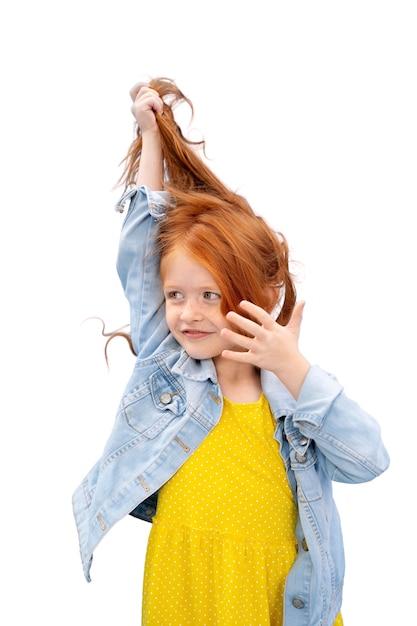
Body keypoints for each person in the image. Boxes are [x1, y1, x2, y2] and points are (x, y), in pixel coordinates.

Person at [73, 78, 389, 626]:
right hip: (185, 585)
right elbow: (141, 251)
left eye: (209, 296)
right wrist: (150, 137)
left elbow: (369, 460)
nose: (188, 312)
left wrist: (293, 366)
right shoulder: (170, 369)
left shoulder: (295, 400)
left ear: (256, 295)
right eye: (176, 295)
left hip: (272, 595)